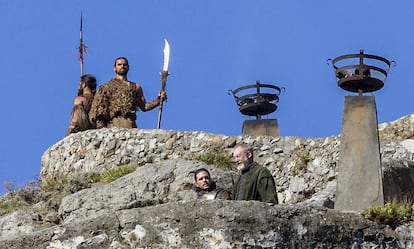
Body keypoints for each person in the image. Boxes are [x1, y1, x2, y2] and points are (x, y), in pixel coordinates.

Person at [89, 57, 167, 129]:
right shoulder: (106, 87)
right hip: (114, 123)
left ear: (128, 67)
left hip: (130, 123)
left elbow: (144, 107)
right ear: (114, 68)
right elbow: (99, 111)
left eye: (124, 64)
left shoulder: (136, 87)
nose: (122, 66)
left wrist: (159, 99)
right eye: (119, 64)